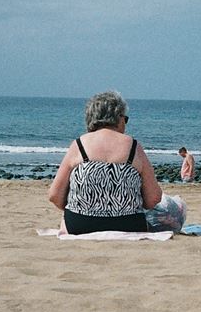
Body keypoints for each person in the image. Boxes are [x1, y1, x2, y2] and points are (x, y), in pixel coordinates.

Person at [48, 91, 163, 234]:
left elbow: (54, 195)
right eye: (125, 119)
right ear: (118, 118)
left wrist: (83, 206)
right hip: (129, 224)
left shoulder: (79, 145)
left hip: (79, 224)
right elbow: (154, 198)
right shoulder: (133, 146)